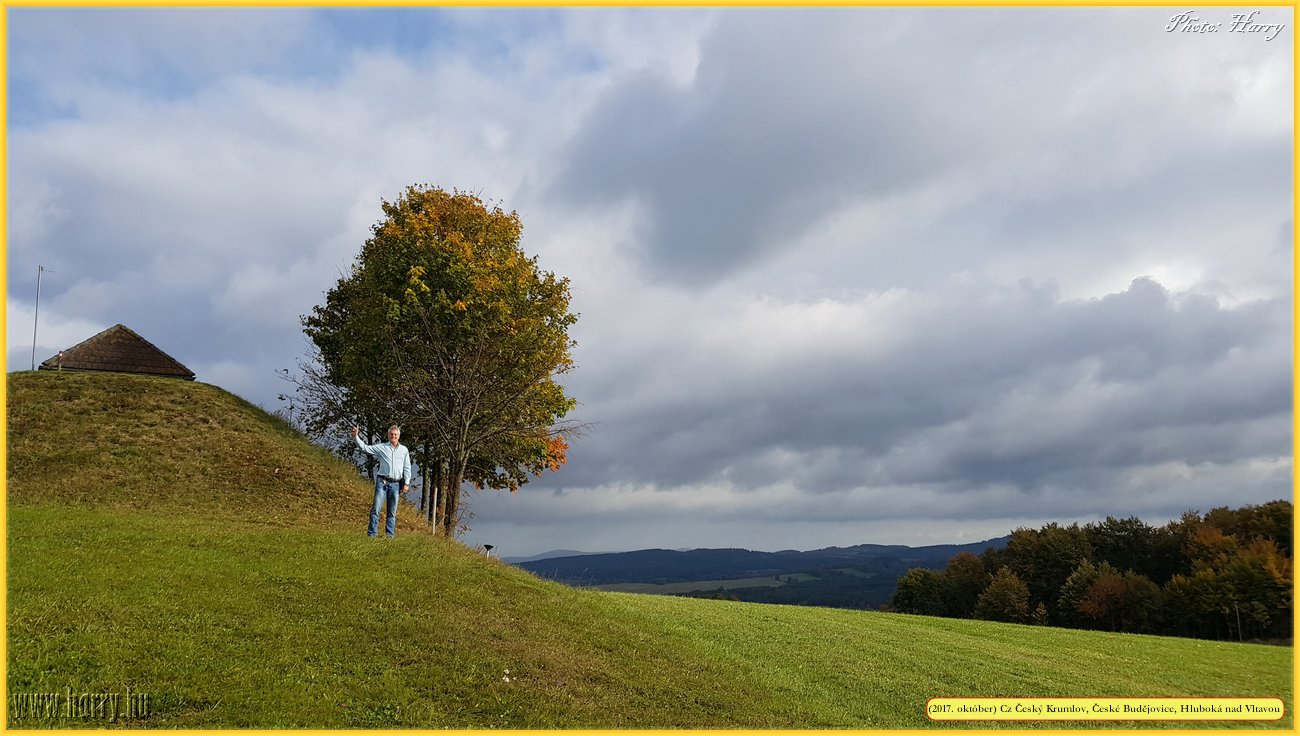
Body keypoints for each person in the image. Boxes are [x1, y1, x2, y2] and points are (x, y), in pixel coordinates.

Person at [352, 424, 411, 538]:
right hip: (382, 482)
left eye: (395, 434)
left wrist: (406, 483)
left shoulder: (404, 450)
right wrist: (356, 437)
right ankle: (372, 534)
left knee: (392, 512)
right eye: (391, 434)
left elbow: (407, 468)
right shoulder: (382, 447)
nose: (393, 436)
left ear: (398, 436)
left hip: (396, 484)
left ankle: (390, 536)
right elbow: (365, 448)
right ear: (388, 435)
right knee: (376, 509)